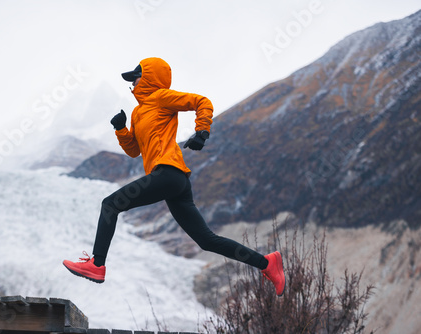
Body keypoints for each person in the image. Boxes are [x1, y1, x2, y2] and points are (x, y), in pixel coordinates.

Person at [63, 57, 285, 296]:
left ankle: (96, 265)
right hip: (173, 181)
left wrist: (202, 131)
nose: (132, 84)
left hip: (169, 173)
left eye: (135, 78)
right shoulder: (139, 112)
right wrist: (121, 129)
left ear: (147, 78)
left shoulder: (161, 97)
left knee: (110, 205)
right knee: (207, 241)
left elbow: (202, 102)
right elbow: (134, 150)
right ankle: (267, 263)